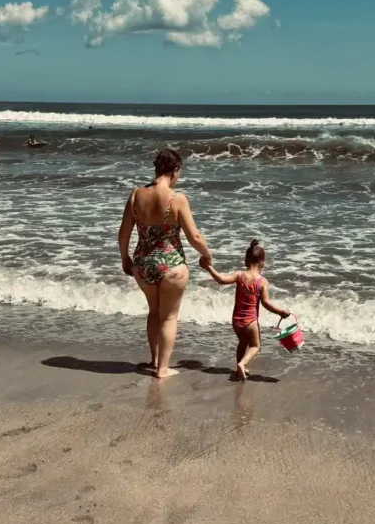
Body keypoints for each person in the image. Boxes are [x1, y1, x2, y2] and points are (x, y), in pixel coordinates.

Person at [118, 148, 212, 379]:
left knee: (154, 312)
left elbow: (123, 233)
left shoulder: (135, 195)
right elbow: (195, 237)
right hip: (172, 266)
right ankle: (163, 368)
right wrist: (207, 255)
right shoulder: (176, 198)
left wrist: (125, 258)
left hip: (143, 264)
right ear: (175, 170)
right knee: (169, 317)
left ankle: (154, 360)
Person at [200, 239, 290, 381]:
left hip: (236, 321)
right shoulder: (262, 281)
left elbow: (221, 280)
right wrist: (280, 312)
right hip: (251, 322)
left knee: (242, 342)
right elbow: (266, 303)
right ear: (262, 262)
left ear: (246, 261)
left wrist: (208, 267)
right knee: (255, 346)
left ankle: (238, 368)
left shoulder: (239, 275)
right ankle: (242, 364)